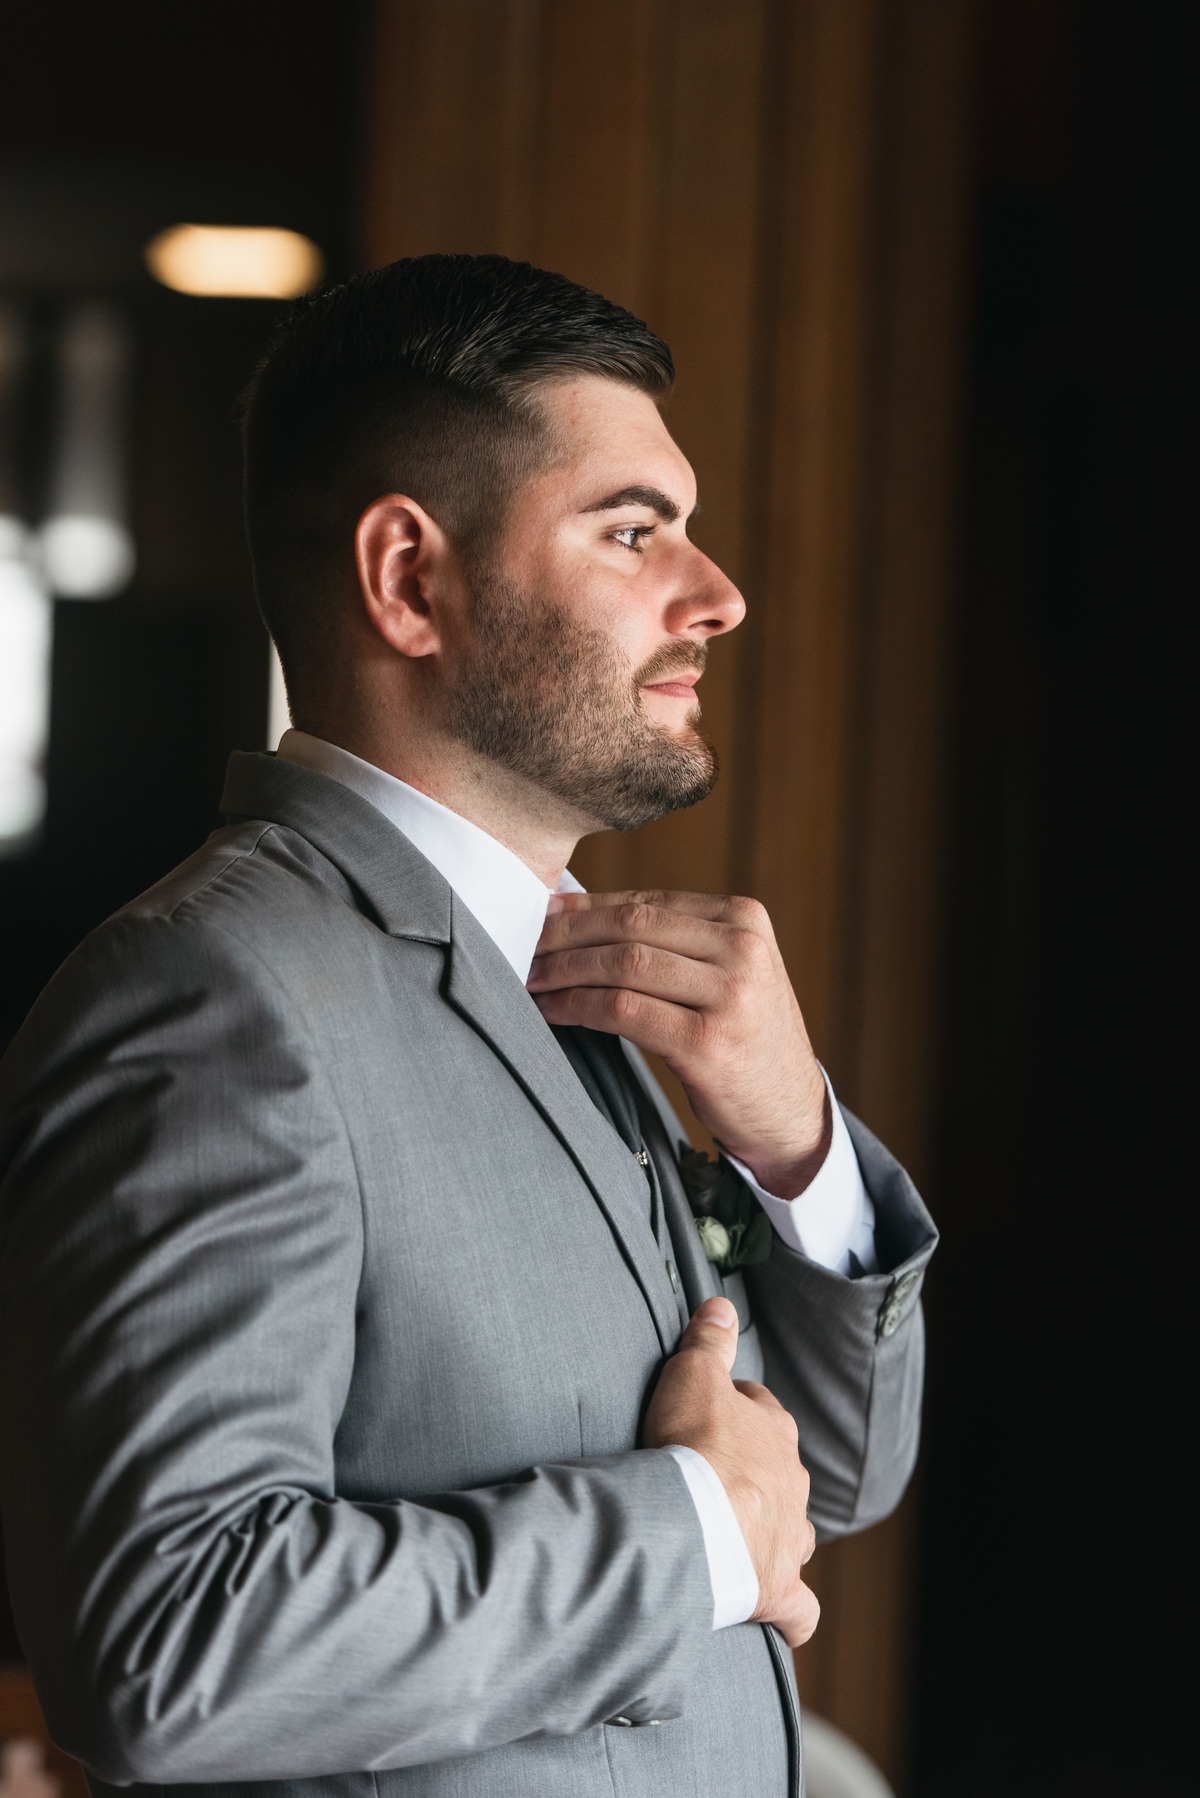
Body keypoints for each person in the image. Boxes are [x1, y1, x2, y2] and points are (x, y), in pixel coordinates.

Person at [0, 255, 936, 1798]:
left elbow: (828, 1477)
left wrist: (795, 1146)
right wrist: (693, 1529)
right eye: (633, 529)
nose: (717, 592)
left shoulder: (582, 983)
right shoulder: (212, 1001)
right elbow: (166, 1647)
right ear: (408, 579)